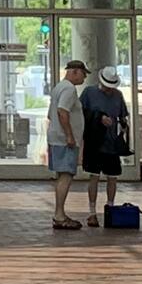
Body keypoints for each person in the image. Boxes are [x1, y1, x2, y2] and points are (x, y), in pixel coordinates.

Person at [79, 67, 129, 222]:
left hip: (112, 142)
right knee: (93, 176)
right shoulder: (89, 93)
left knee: (112, 177)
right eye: (107, 86)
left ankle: (110, 207)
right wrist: (98, 118)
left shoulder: (118, 96)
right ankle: (92, 212)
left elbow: (123, 117)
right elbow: (81, 114)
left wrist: (123, 126)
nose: (109, 90)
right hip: (95, 142)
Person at [47, 58, 87, 229]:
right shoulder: (69, 89)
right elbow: (62, 112)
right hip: (64, 141)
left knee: (62, 175)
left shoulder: (59, 87)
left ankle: (59, 212)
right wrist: (70, 135)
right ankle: (59, 214)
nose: (84, 79)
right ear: (75, 72)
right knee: (66, 175)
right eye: (83, 75)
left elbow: (51, 115)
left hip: (56, 138)